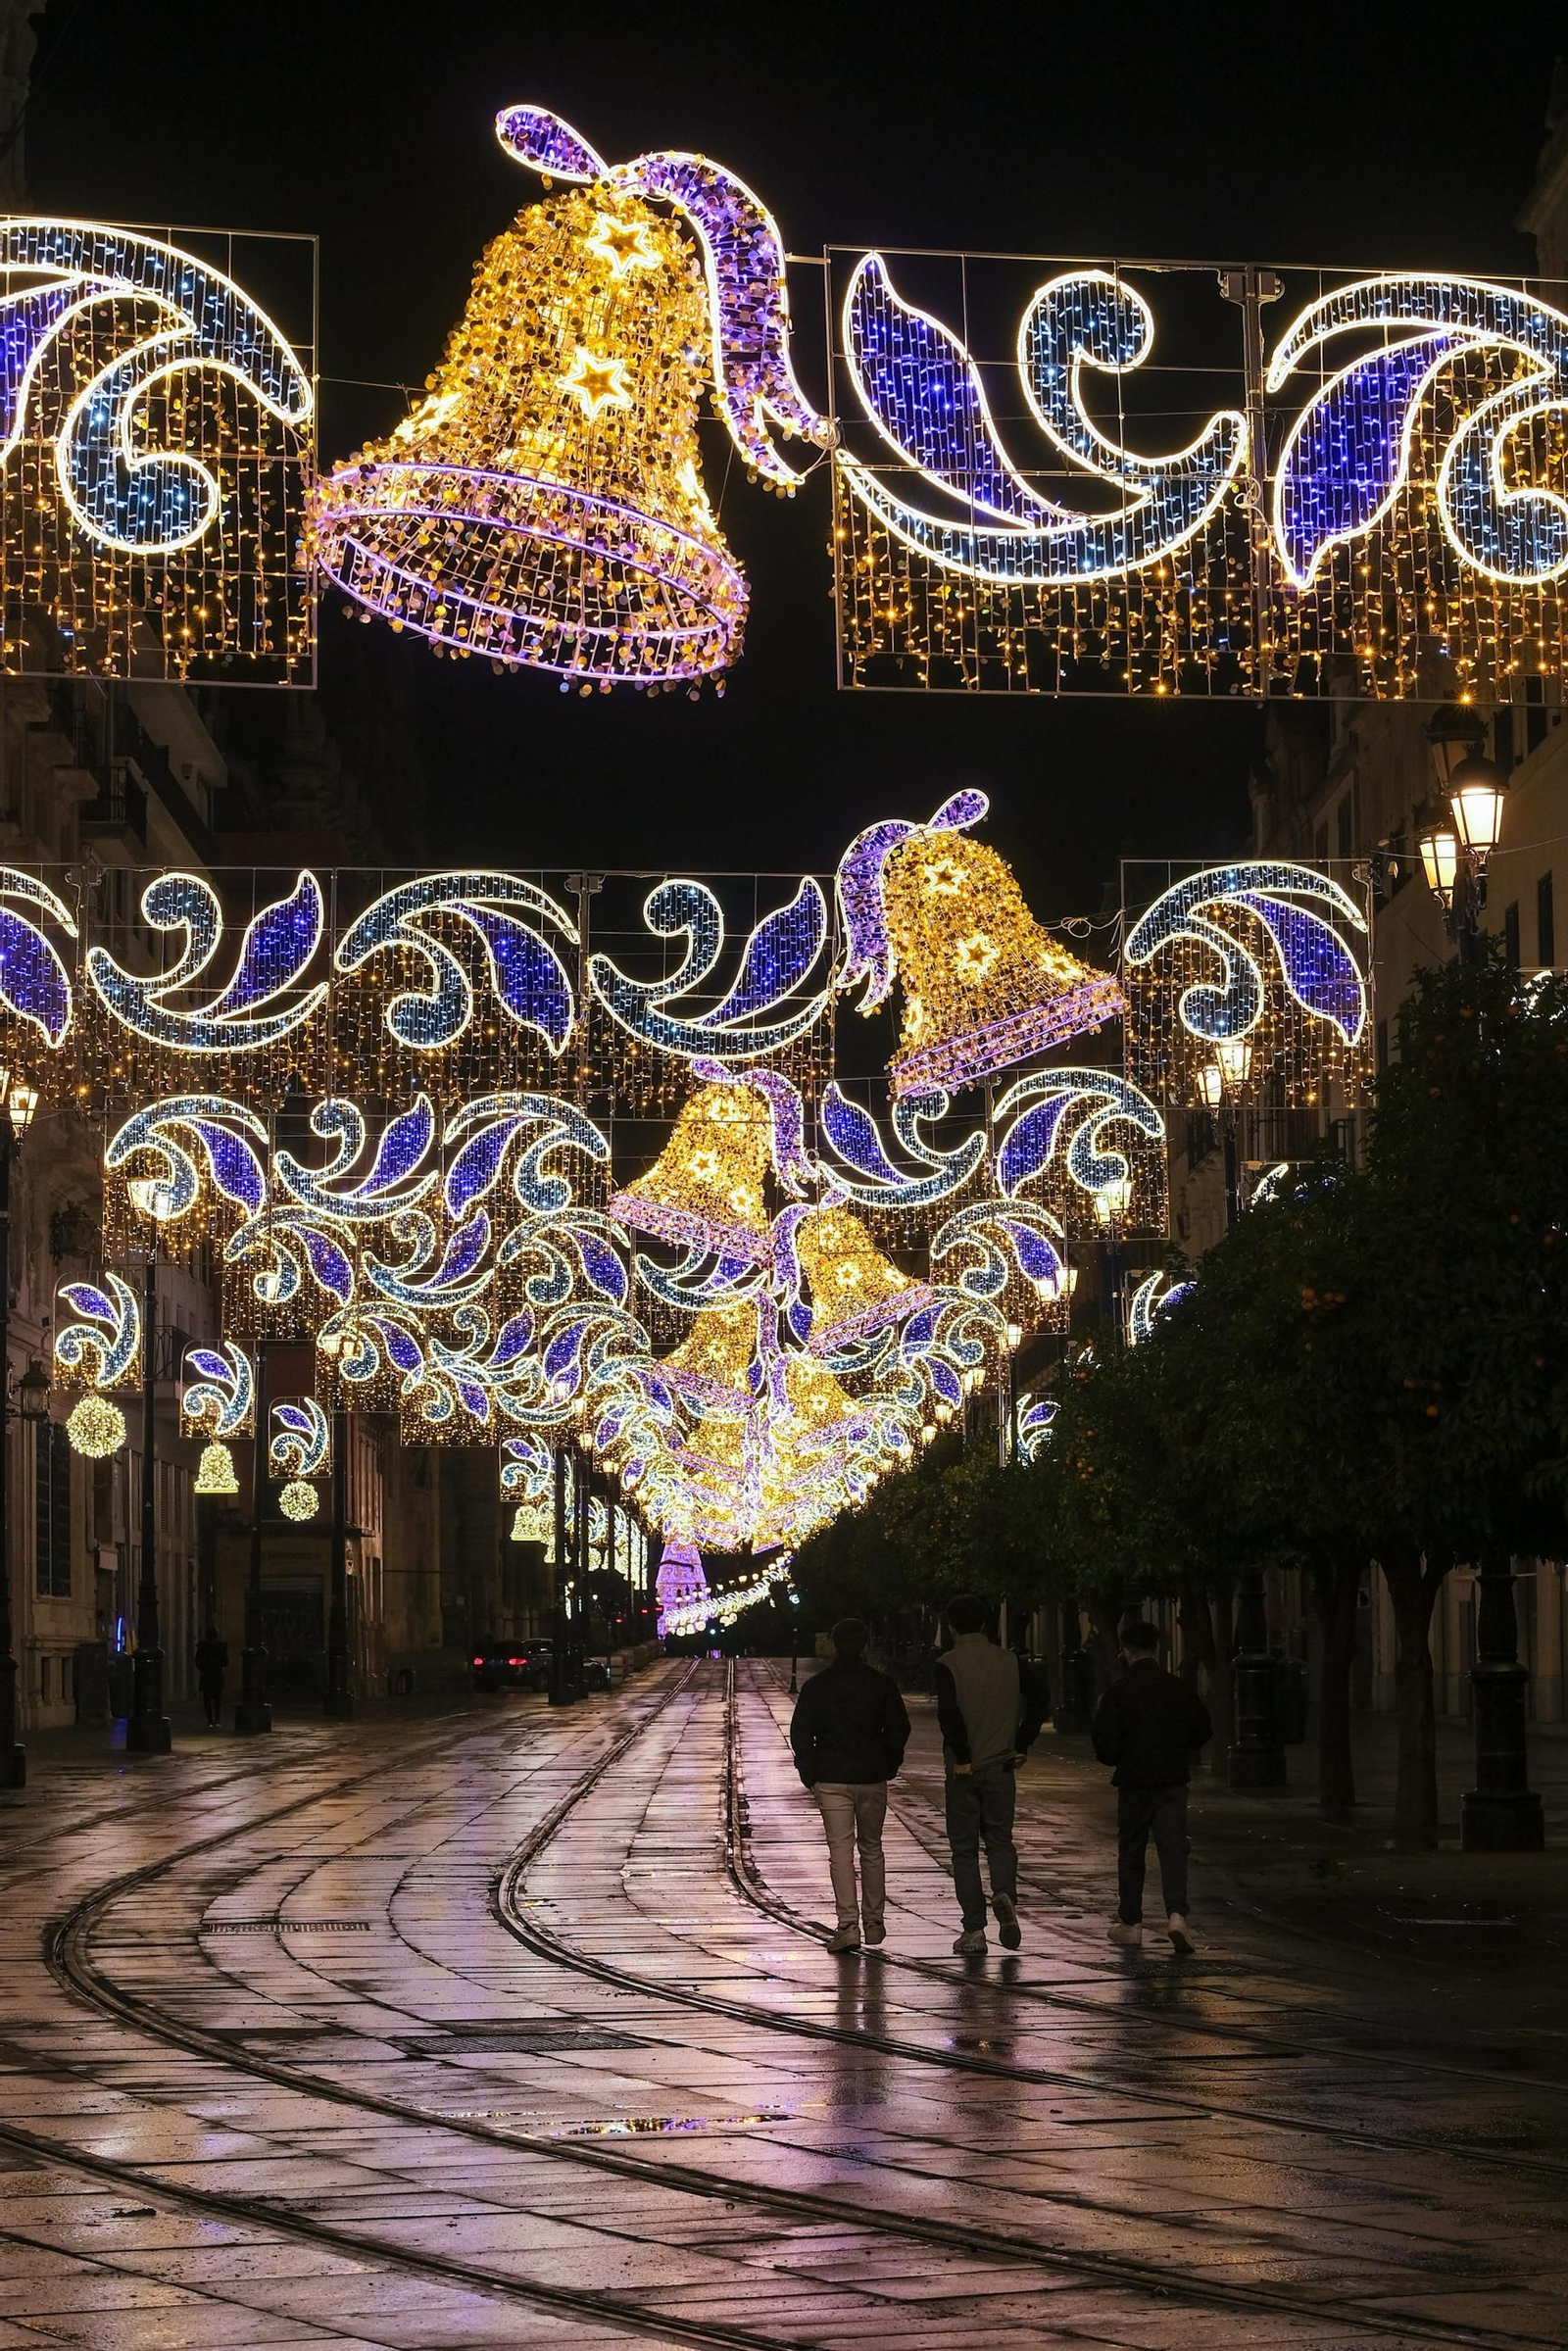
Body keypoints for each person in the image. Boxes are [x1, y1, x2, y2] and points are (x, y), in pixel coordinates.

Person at [934, 1594, 1049, 1955]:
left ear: (951, 1627)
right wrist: (1023, 1741)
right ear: (984, 1624)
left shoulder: (947, 1664)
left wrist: (963, 1755)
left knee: (964, 1849)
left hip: (964, 1771)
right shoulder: (1010, 1661)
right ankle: (1004, 1893)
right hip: (1002, 1765)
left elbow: (949, 1715)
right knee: (999, 1839)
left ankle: (974, 1929)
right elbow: (1040, 1698)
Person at [1092, 1613, 1212, 1955]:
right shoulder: (1177, 1688)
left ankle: (1131, 1922)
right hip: (1172, 1779)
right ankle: (1177, 1915)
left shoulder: (1119, 1692)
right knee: (1173, 1848)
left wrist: (1121, 1755)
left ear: (1124, 1651)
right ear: (1156, 1648)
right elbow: (1202, 1729)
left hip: (1134, 1782)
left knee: (1132, 1849)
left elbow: (1104, 1744)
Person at [789, 1618, 911, 1952]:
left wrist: (809, 1771)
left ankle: (847, 1924)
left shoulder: (817, 1687)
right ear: (865, 1646)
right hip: (871, 1776)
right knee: (872, 1848)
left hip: (831, 1776)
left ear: (833, 1644)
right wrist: (888, 1762)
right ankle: (874, 1921)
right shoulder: (881, 1684)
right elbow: (899, 1728)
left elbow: (801, 1732)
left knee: (840, 1851)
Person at [194, 1621, 228, 1730]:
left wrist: (204, 1667)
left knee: (207, 1699)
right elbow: (226, 1662)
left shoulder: (203, 1647)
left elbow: (197, 1661)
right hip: (217, 1675)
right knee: (217, 1699)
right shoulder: (221, 1648)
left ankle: (210, 1720)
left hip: (207, 1675)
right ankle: (216, 1720)